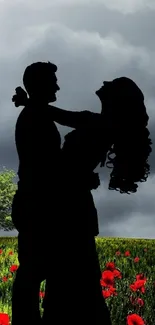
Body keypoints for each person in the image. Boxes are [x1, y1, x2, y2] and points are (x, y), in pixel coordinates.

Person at [11, 61, 62, 325]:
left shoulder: (34, 112)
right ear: (40, 83)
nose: (58, 85)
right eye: (52, 81)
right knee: (33, 269)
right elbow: (45, 164)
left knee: (33, 268)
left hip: (34, 201)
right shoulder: (34, 116)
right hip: (36, 203)